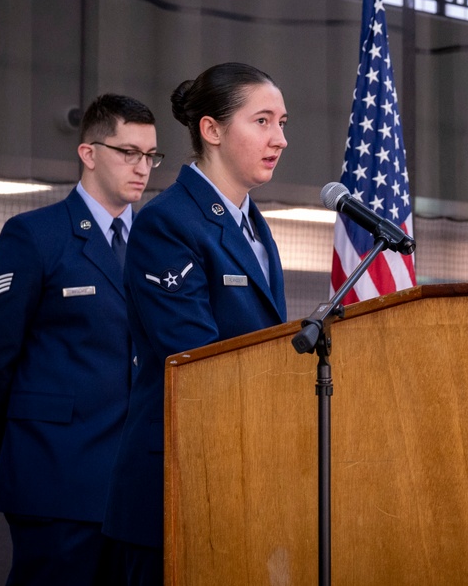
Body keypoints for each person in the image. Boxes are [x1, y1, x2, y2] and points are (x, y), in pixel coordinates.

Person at [0, 93, 161, 585]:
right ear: (88, 153)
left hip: (136, 492)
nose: (143, 167)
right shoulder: (36, 236)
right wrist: (30, 445)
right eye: (127, 152)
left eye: (151, 155)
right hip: (56, 483)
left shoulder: (158, 245)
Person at [103, 63, 289, 584]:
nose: (280, 138)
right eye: (263, 121)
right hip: (176, 484)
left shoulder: (252, 223)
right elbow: (197, 361)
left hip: (236, 474)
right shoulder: (169, 222)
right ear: (211, 130)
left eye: (282, 123)